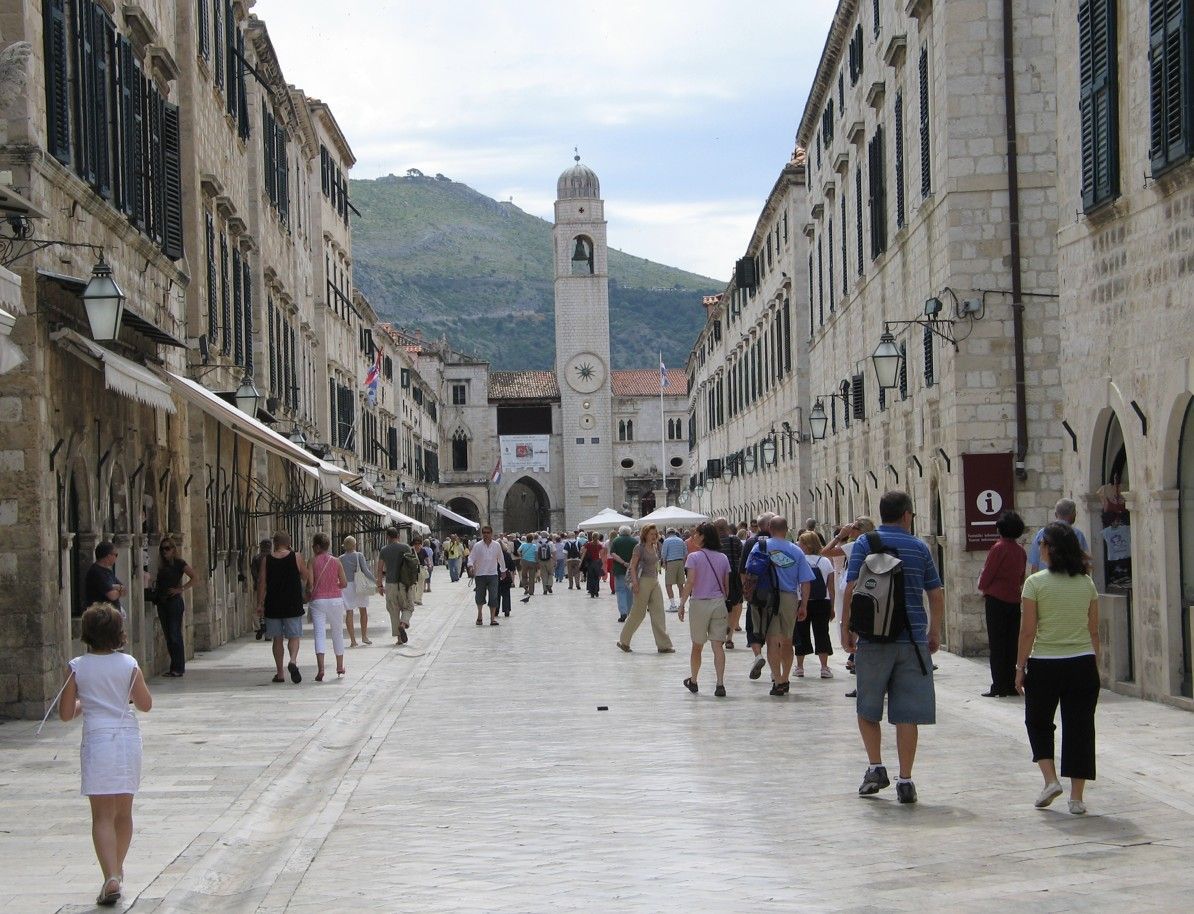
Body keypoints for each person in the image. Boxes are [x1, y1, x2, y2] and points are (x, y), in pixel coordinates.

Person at [842, 491, 944, 805]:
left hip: (873, 638)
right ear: (907, 515)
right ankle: (906, 780)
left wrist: (847, 629)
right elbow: (936, 593)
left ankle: (875, 767)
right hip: (912, 640)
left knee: (867, 708)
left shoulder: (864, 544)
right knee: (907, 713)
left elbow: (851, 586)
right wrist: (934, 630)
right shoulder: (919, 547)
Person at [59, 603, 153, 906]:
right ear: (118, 632)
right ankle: (116, 873)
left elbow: (64, 713)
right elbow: (145, 704)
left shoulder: (77, 666)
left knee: (101, 814)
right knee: (124, 812)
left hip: (97, 739)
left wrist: (88, 702)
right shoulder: (129, 664)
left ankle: (110, 875)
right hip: (126, 737)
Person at [1016, 522, 1100, 815]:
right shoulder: (1086, 583)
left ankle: (1050, 780)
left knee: (1038, 722)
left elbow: (1027, 631)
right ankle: (1077, 798)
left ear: (1050, 549)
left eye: (1041, 545)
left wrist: (1019, 667)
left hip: (1045, 664)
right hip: (1082, 663)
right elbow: (1093, 630)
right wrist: (1094, 663)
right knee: (1080, 728)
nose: (1039, 550)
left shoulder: (1035, 583)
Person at [744, 516, 813, 696]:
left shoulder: (760, 546)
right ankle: (785, 678)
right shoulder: (796, 550)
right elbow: (806, 581)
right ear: (787, 529)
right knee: (788, 640)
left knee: (772, 641)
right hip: (789, 597)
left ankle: (776, 680)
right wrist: (803, 604)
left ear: (769, 528)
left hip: (767, 599)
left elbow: (748, 572)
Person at [677, 522, 731, 697]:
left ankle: (694, 680)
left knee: (697, 646)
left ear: (703, 537)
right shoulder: (723, 558)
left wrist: (682, 603)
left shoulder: (694, 557)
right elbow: (726, 586)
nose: (693, 537)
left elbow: (690, 582)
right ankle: (720, 684)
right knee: (718, 646)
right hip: (718, 602)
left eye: (696, 534)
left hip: (700, 603)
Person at [978, 511, 1028, 697]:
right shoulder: (1020, 551)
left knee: (998, 644)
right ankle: (1011, 682)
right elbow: (1021, 576)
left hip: (996, 601)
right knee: (1011, 643)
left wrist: (982, 587)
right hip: (1013, 600)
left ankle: (999, 684)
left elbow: (988, 573)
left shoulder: (998, 548)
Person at [824, 516, 876, 688]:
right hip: (873, 592)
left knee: (857, 631)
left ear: (859, 531)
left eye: (853, 527)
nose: (850, 529)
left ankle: (861, 676)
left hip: (856, 592)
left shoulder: (856, 546)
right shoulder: (874, 544)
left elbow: (825, 552)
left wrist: (840, 535)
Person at [255, 531, 308, 684]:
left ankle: (280, 673)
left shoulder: (267, 560)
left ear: (275, 543)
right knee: (294, 636)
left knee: (277, 639)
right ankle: (292, 661)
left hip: (273, 604)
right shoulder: (296, 557)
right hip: (292, 602)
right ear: (288, 542)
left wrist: (260, 604)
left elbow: (262, 583)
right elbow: (305, 576)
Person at [617, 523, 675, 654]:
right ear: (645, 535)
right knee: (638, 613)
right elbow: (632, 566)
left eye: (656, 534)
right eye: (652, 534)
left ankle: (664, 645)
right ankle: (624, 641)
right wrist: (635, 584)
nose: (654, 536)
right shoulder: (639, 548)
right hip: (642, 582)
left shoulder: (655, 546)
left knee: (659, 612)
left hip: (654, 581)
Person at [740, 513, 777, 682]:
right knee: (772, 629)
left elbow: (743, 571)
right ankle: (774, 670)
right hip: (775, 593)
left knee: (753, 627)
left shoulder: (750, 543)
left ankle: (757, 655)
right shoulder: (780, 542)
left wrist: (747, 592)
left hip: (755, 594)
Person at [306, 534, 348, 682]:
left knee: (319, 633)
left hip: (318, 601)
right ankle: (340, 666)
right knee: (337, 632)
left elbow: (310, 584)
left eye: (313, 546)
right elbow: (344, 583)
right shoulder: (336, 561)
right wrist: (333, 585)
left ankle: (321, 668)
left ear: (317, 546)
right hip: (336, 600)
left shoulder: (312, 561)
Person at [152, 537, 196, 677]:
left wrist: (180, 589)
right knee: (169, 636)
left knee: (174, 634)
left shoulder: (179, 563)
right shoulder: (160, 565)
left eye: (167, 548)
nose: (165, 551)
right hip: (162, 602)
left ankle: (178, 668)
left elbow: (194, 577)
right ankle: (174, 667)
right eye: (162, 548)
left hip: (174, 602)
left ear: (173, 549)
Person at [794, 531, 834, 680]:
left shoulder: (799, 560)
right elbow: (831, 587)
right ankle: (824, 667)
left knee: (801, 633)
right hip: (822, 601)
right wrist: (832, 606)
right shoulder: (825, 562)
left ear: (807, 545)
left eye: (800, 542)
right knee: (822, 633)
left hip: (801, 601)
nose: (798, 544)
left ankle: (799, 667)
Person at [376, 527, 415, 646]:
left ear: (387, 537)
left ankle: (399, 638)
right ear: (398, 536)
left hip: (390, 584)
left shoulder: (384, 550)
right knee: (409, 606)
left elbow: (379, 569)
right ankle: (403, 623)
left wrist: (379, 585)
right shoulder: (406, 547)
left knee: (393, 610)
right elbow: (413, 565)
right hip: (404, 583)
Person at [1028, 499, 1089, 574]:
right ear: (1073, 514)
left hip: (1044, 582)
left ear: (1056, 514)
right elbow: (1083, 562)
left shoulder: (1041, 534)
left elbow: (1035, 565)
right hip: (1071, 581)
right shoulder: (1077, 534)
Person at [339, 536, 375, 648]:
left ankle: (353, 640)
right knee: (363, 610)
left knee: (349, 612)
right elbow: (365, 570)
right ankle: (364, 636)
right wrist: (375, 580)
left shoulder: (340, 558)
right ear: (355, 545)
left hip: (346, 587)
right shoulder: (359, 555)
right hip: (359, 584)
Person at [467, 525, 506, 625]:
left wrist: (503, 570)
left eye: (488, 533)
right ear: (482, 534)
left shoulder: (496, 545)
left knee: (493, 597)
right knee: (479, 596)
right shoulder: (477, 545)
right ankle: (480, 615)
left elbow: (501, 558)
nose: (486, 534)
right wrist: (470, 566)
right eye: (484, 532)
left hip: (493, 574)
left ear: (491, 534)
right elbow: (471, 558)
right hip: (480, 574)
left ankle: (492, 618)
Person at [715, 517, 744, 648]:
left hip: (718, 577)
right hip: (734, 576)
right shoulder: (735, 540)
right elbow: (742, 558)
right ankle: (730, 636)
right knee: (736, 604)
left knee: (721, 605)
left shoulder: (712, 543)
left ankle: (722, 633)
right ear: (727, 528)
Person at [85, 541, 126, 615]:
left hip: (111, 617)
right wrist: (118, 588)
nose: (116, 557)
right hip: (101, 618)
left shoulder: (108, 572)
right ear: (108, 556)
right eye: (115, 555)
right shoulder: (96, 572)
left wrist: (117, 587)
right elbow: (112, 596)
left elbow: (124, 590)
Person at [609, 525, 638, 622]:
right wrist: (630, 563)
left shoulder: (616, 541)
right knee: (630, 592)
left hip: (619, 569)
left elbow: (613, 553)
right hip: (631, 570)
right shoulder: (634, 541)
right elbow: (637, 555)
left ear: (620, 532)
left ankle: (623, 612)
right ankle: (629, 612)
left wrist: (623, 562)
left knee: (620, 590)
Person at [661, 528, 688, 611]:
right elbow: (686, 552)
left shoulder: (667, 541)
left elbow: (664, 553)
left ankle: (673, 605)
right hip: (680, 562)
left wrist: (664, 563)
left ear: (668, 533)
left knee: (668, 584)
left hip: (671, 562)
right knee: (680, 585)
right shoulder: (681, 540)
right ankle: (682, 605)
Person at [498, 536, 517, 617]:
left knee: (496, 594)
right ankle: (506, 610)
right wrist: (513, 580)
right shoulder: (507, 554)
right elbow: (512, 567)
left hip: (495, 576)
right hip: (506, 575)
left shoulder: (493, 555)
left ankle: (495, 610)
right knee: (506, 593)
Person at [583, 533, 605, 597]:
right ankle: (596, 591)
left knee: (590, 577)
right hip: (597, 562)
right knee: (596, 577)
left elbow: (583, 553)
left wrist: (581, 562)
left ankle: (592, 592)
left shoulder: (588, 544)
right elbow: (601, 555)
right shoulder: (599, 545)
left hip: (590, 562)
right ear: (598, 537)